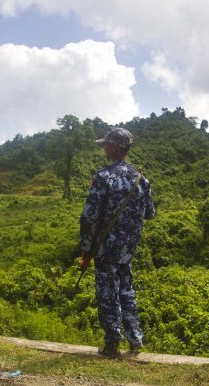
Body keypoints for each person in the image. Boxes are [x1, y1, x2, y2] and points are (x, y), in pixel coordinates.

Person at [79, 127, 155, 358]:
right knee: (126, 291)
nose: (104, 148)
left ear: (114, 147)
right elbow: (150, 213)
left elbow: (88, 217)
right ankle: (135, 339)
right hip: (127, 250)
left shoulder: (103, 177)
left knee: (107, 293)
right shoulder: (142, 179)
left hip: (105, 248)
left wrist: (86, 249)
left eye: (106, 145)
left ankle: (112, 343)